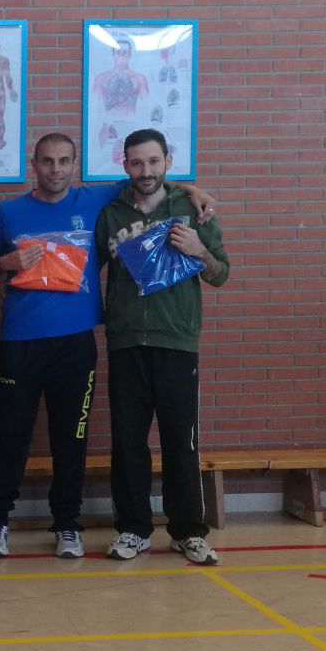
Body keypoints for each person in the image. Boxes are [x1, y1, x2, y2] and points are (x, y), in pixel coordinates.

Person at [0, 134, 214, 559]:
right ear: (34, 164)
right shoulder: (6, 212)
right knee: (10, 437)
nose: (56, 169)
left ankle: (67, 523)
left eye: (64, 161)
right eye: (47, 161)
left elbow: (149, 180)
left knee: (71, 440)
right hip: (19, 341)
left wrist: (191, 190)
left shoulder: (95, 202)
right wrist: (5, 263)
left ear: (75, 165)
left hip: (76, 343)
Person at [96, 129, 231, 565]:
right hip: (126, 343)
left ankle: (188, 531)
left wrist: (199, 250)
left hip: (177, 344)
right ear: (125, 165)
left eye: (153, 162)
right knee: (128, 441)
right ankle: (133, 530)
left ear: (167, 161)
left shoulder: (192, 210)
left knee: (181, 441)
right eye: (136, 163)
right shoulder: (110, 212)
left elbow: (220, 274)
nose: (146, 171)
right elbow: (89, 267)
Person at [91, 34, 149, 116]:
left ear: (130, 55)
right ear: (113, 55)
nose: (121, 56)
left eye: (125, 52)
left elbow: (147, 106)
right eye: (118, 52)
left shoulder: (140, 79)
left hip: (131, 121)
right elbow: (92, 105)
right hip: (108, 121)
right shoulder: (101, 78)